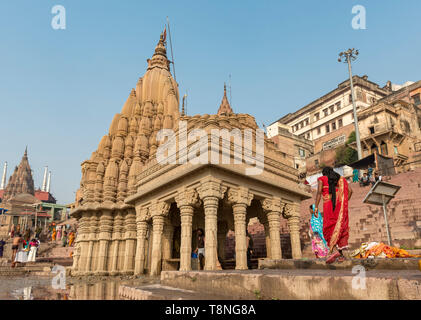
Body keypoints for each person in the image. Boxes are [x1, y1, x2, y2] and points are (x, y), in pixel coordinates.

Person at [315, 166, 353, 264]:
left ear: (324, 173)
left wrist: (315, 207)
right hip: (339, 207)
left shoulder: (322, 179)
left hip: (328, 206)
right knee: (341, 228)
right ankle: (340, 254)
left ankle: (336, 251)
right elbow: (350, 191)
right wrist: (344, 203)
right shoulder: (341, 179)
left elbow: (319, 193)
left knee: (329, 227)